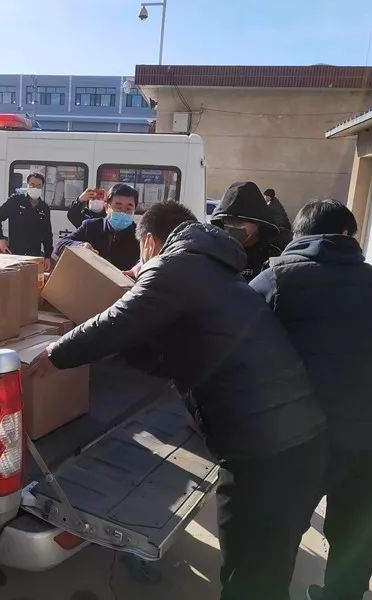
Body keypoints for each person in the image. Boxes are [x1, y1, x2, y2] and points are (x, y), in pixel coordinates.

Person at [29, 201, 327, 599]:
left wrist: (56, 353)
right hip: (294, 434)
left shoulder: (177, 266)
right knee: (267, 564)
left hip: (262, 444)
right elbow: (173, 352)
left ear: (150, 242)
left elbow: (119, 320)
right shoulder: (214, 267)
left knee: (250, 569)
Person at [250, 199, 372, 600]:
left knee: (277, 532)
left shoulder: (276, 281)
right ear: (348, 235)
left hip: (308, 436)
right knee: (356, 535)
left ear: (299, 234)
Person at [54, 183, 139, 270]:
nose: (123, 212)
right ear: (107, 208)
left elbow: (144, 259)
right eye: (118, 207)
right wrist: (79, 246)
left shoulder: (139, 235)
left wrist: (138, 267)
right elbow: (61, 245)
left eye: (128, 209)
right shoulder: (91, 226)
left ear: (134, 211)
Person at [211, 181, 283, 281]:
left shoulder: (273, 257)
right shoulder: (214, 252)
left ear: (258, 224)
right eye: (228, 222)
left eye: (239, 222)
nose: (232, 227)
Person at [0, 172, 53, 270]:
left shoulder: (44, 208)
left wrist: (47, 256)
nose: (35, 188)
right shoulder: (16, 201)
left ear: (42, 187)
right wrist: (0, 239)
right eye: (32, 184)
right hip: (14, 254)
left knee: (31, 279)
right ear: (27, 185)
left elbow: (47, 234)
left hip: (34, 256)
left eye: (39, 186)